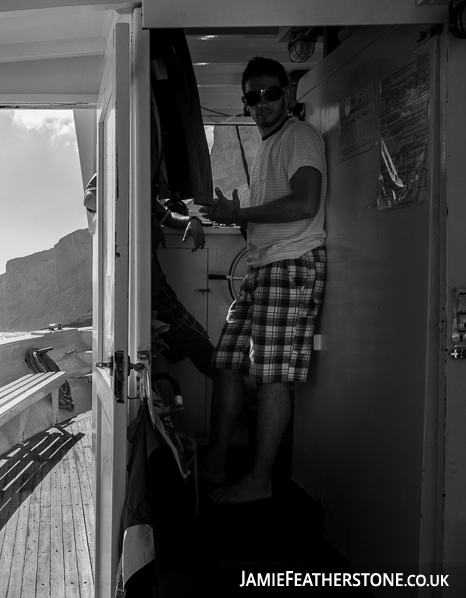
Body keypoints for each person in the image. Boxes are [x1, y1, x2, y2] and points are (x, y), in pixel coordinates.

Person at [199, 56, 327, 503]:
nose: (262, 103)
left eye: (271, 93)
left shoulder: (299, 137)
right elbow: (265, 218)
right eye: (253, 97)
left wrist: (241, 214)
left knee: (272, 377)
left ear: (288, 95)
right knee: (228, 365)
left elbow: (305, 204)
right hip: (262, 268)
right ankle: (215, 462)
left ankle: (259, 480)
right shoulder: (268, 148)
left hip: (289, 267)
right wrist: (230, 221)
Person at [83, 173, 215, 380]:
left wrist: (192, 220)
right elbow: (90, 200)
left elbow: (169, 217)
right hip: (132, 289)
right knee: (192, 345)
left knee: (186, 345)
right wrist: (136, 211)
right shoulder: (114, 168)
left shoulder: (144, 186)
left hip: (153, 284)